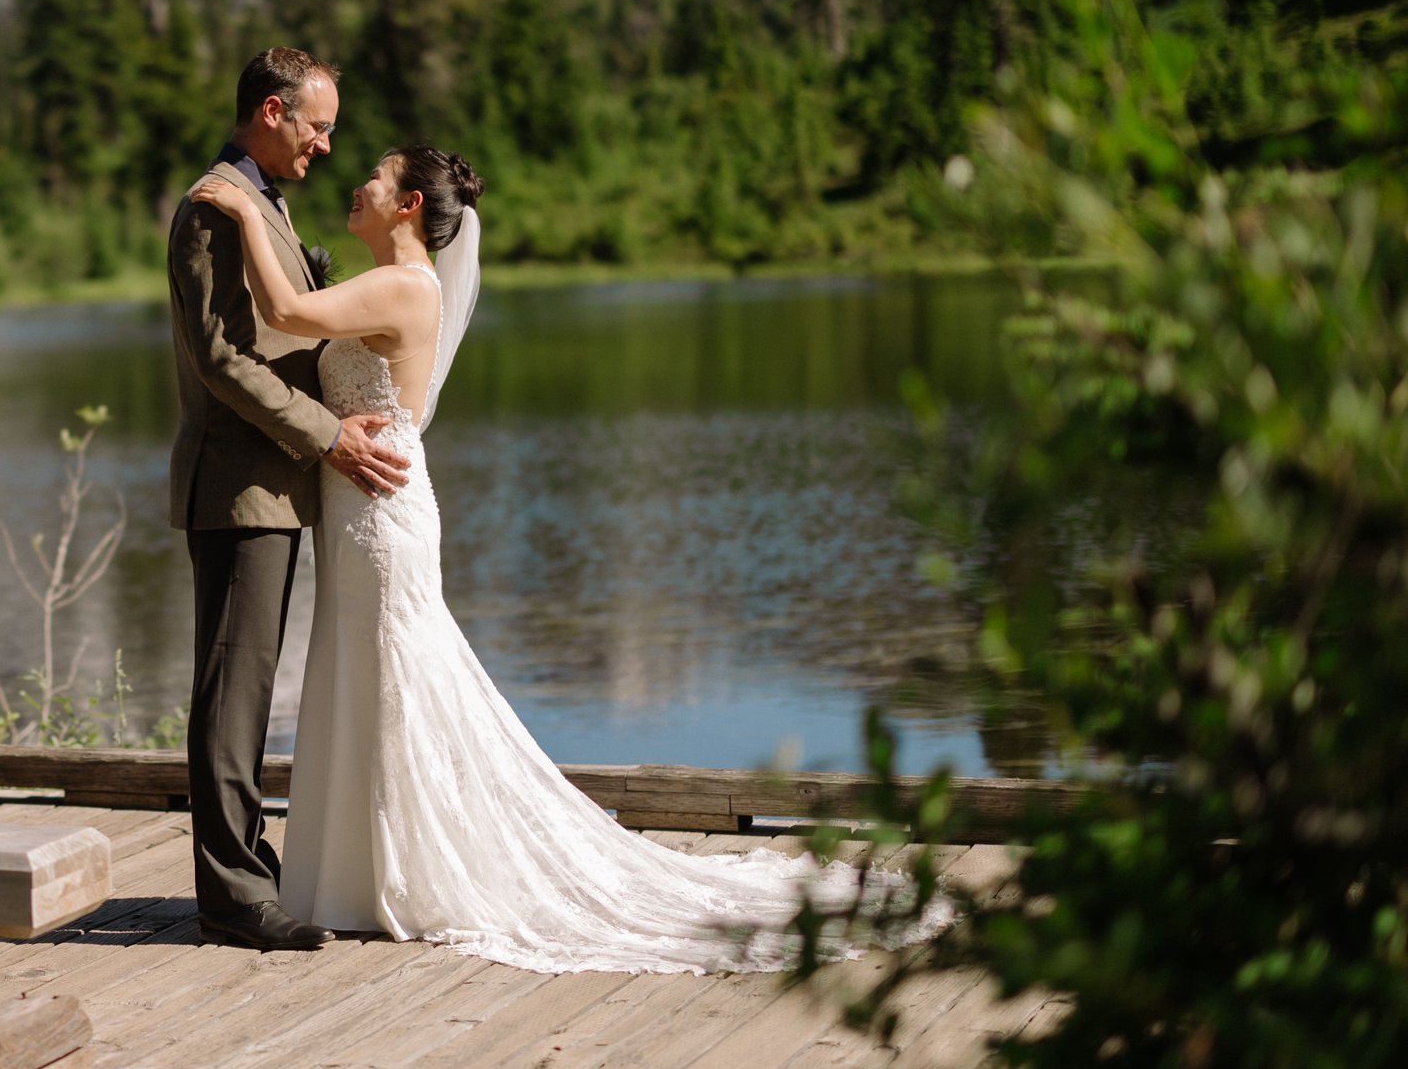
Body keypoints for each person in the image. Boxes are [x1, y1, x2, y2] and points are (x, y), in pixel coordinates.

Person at [192, 145, 954, 973]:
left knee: (397, 680)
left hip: (380, 514)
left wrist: (236, 209)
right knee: (365, 679)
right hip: (360, 506)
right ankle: (356, 874)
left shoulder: (407, 284)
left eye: (375, 175)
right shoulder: (391, 281)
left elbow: (289, 309)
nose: (358, 182)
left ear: (409, 203)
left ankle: (407, 873)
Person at [166, 46, 410, 952]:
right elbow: (223, 359)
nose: (325, 146)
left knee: (249, 682)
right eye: (317, 125)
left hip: (270, 485)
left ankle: (247, 871)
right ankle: (231, 895)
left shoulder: (260, 201)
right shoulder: (212, 209)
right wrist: (329, 433)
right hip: (238, 484)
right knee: (233, 691)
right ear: (272, 112)